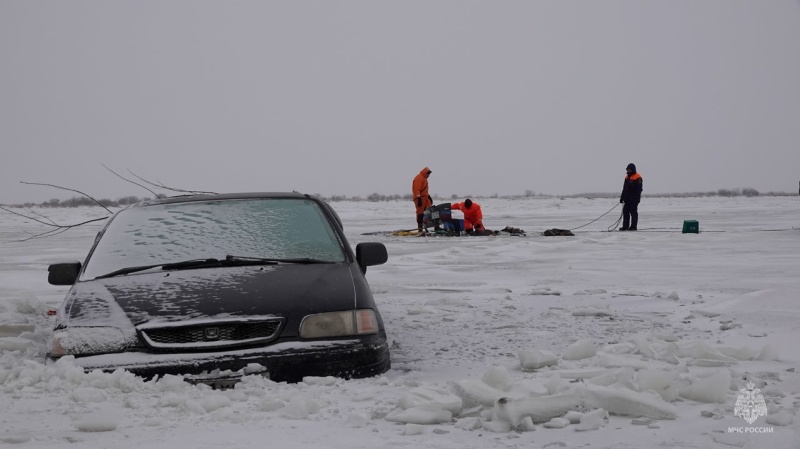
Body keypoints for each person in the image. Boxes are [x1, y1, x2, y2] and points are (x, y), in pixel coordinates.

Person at [619, 163, 643, 231]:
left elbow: (639, 190)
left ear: (633, 169)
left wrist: (637, 199)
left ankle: (633, 226)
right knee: (625, 212)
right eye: (628, 169)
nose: (628, 170)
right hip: (627, 199)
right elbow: (624, 188)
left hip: (634, 199)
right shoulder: (627, 177)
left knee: (633, 213)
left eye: (630, 169)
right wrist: (622, 197)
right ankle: (625, 226)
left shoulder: (638, 177)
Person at [411, 167, 433, 232]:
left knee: (428, 212)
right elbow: (416, 189)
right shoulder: (419, 178)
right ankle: (420, 229)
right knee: (420, 213)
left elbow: (424, 190)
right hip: (419, 198)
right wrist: (418, 198)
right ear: (425, 173)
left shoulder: (424, 179)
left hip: (425, 198)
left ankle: (425, 227)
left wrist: (429, 197)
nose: (428, 175)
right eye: (428, 174)